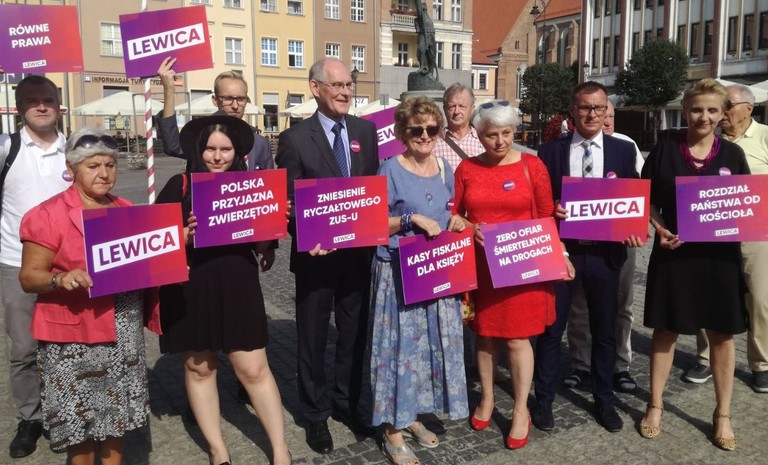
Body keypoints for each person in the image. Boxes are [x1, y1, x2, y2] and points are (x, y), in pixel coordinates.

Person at [18, 128, 160, 464]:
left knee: (115, 420)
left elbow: (144, 261)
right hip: (72, 338)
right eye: (93, 166)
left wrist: (171, 248)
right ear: (72, 168)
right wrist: (60, 278)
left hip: (122, 333)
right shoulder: (46, 214)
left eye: (110, 165)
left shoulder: (126, 208)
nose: (104, 173)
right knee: (78, 426)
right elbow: (29, 277)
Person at [156, 114, 291, 465]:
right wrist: (183, 236)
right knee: (201, 369)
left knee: (254, 369)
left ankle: (280, 450)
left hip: (237, 282)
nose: (217, 156)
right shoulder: (178, 185)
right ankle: (218, 451)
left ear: (237, 152)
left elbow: (261, 243)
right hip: (190, 288)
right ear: (198, 151)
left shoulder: (252, 187)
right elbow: (153, 244)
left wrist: (273, 228)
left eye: (225, 149)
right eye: (210, 149)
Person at [453, 99, 574, 449]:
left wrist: (561, 254)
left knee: (519, 339)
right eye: (492, 134)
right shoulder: (467, 169)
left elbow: (547, 215)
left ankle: (521, 409)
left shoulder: (532, 166)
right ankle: (487, 396)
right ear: (479, 135)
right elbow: (454, 213)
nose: (500, 141)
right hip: (483, 267)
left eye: (506, 133)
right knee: (485, 335)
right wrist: (471, 227)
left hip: (523, 265)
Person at [275, 57, 379, 454]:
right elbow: (289, 202)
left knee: (354, 335)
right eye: (336, 85)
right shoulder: (295, 139)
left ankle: (347, 401)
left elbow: (370, 190)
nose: (345, 92)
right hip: (316, 258)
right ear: (315, 88)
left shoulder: (365, 132)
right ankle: (315, 413)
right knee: (313, 338)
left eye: (349, 85)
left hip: (357, 256)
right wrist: (305, 235)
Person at [639, 79, 748, 451]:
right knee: (666, 330)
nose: (704, 116)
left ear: (722, 113)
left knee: (722, 334)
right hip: (675, 254)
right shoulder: (665, 149)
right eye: (697, 109)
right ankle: (655, 405)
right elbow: (646, 198)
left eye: (712, 110)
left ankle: (723, 413)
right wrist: (660, 228)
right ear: (685, 111)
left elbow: (745, 203)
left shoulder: (733, 155)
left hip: (719, 260)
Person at [533, 82, 642, 433]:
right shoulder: (549, 152)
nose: (592, 114)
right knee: (552, 328)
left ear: (607, 110)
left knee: (605, 329)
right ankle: (544, 398)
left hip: (605, 255)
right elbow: (538, 202)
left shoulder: (623, 150)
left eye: (598, 108)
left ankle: (604, 399)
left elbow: (633, 200)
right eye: (584, 108)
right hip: (563, 251)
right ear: (572, 111)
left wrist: (633, 228)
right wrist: (552, 207)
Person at [370, 97, 468, 465]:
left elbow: (450, 211)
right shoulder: (389, 169)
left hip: (434, 272)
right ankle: (391, 431)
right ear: (401, 132)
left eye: (431, 128)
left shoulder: (444, 168)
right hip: (397, 274)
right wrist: (409, 220)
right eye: (416, 129)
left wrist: (456, 220)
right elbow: (372, 223)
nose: (425, 135)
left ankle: (409, 415)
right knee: (398, 351)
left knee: (424, 350)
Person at [0, 73, 70, 459]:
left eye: (48, 99)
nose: (41, 106)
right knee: (24, 348)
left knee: (67, 345)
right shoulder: (6, 148)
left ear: (59, 105)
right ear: (18, 107)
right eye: (32, 100)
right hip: (17, 264)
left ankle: (66, 409)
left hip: (69, 266)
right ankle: (30, 417)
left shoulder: (76, 149)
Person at [681, 85, 768, 394]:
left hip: (755, 231)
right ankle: (705, 358)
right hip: (712, 232)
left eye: (727, 104)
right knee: (711, 293)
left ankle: (761, 364)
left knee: (759, 298)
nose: (722, 110)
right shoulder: (710, 140)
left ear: (749, 108)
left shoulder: (764, 137)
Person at [564, 100, 645, 393]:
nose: (603, 119)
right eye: (596, 112)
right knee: (579, 306)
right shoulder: (567, 148)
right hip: (577, 241)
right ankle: (581, 363)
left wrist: (636, 226)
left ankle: (620, 366)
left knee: (622, 304)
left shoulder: (626, 147)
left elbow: (638, 191)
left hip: (618, 241)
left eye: (608, 114)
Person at [157, 59, 274, 171]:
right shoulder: (201, 136)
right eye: (228, 99)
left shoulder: (260, 143)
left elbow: (269, 181)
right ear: (215, 100)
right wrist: (169, 90)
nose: (235, 105)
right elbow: (173, 147)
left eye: (240, 99)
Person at [433, 83, 484, 170]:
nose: (456, 111)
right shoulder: (433, 142)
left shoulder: (483, 141)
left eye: (462, 106)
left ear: (472, 109)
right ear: (445, 109)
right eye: (452, 106)